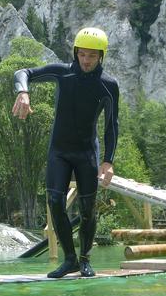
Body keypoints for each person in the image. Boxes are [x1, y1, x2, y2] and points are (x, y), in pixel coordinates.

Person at [11, 27, 119, 278]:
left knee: (88, 209)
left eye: (92, 56)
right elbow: (22, 72)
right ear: (76, 53)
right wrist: (23, 92)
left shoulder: (108, 86)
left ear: (101, 56)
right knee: (56, 201)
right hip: (59, 150)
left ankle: (84, 259)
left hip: (87, 154)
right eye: (82, 54)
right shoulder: (63, 73)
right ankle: (69, 258)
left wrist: (108, 161)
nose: (86, 60)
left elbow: (112, 124)